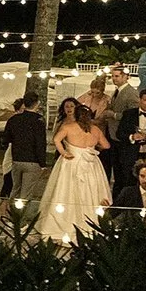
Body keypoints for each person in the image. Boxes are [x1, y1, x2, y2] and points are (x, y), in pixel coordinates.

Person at [39, 100, 113, 243]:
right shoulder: (95, 129)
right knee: (91, 191)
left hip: (71, 162)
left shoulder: (69, 127)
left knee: (67, 191)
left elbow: (56, 139)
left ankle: (65, 222)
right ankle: (90, 222)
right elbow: (107, 145)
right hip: (91, 164)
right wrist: (94, 149)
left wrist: (64, 153)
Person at [0, 92, 49, 218]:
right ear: (37, 104)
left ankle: (12, 215)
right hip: (32, 161)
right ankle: (20, 220)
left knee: (15, 189)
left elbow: (6, 139)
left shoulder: (14, 120)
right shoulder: (38, 121)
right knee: (25, 194)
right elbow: (40, 144)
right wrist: (42, 164)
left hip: (17, 160)